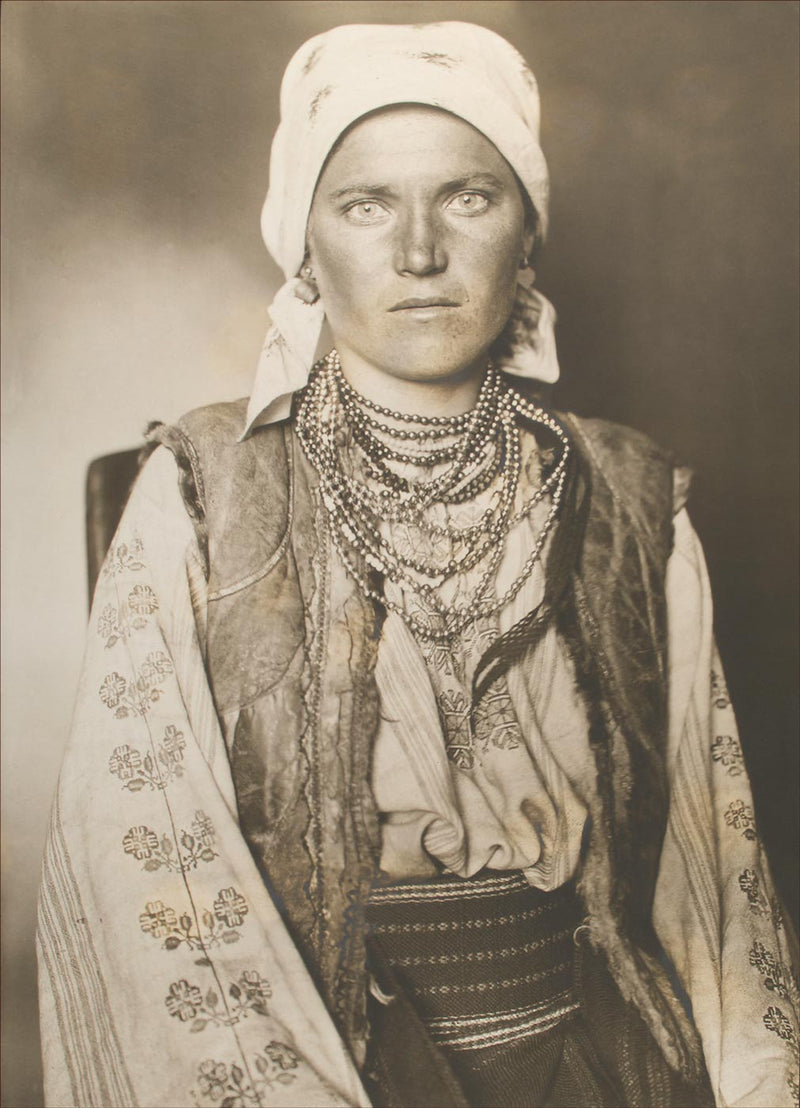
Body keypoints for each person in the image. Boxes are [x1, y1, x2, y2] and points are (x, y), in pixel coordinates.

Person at [37, 21, 798, 1108]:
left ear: (525, 237)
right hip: (317, 1057)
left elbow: (709, 884)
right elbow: (151, 878)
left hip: (603, 1060)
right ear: (304, 246)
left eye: (466, 197)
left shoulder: (629, 502)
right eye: (364, 205)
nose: (418, 253)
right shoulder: (206, 490)